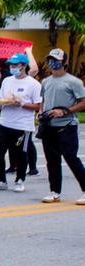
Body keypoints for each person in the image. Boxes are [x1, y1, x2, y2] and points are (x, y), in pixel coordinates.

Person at [36, 47, 85, 204]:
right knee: (52, 160)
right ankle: (55, 191)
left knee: (71, 158)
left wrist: (65, 111)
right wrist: (41, 112)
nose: (52, 63)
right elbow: (42, 100)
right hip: (49, 126)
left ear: (64, 62)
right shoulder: (45, 81)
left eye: (56, 60)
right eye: (50, 59)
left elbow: (83, 102)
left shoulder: (74, 82)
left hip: (67, 125)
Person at [0, 52, 42, 193]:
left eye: (15, 64)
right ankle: (1, 180)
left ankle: (20, 180)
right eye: (11, 64)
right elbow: (0, 97)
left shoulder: (33, 84)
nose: (12, 67)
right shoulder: (7, 81)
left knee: (20, 153)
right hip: (4, 121)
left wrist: (22, 103)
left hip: (22, 125)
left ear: (24, 66)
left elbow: (38, 106)